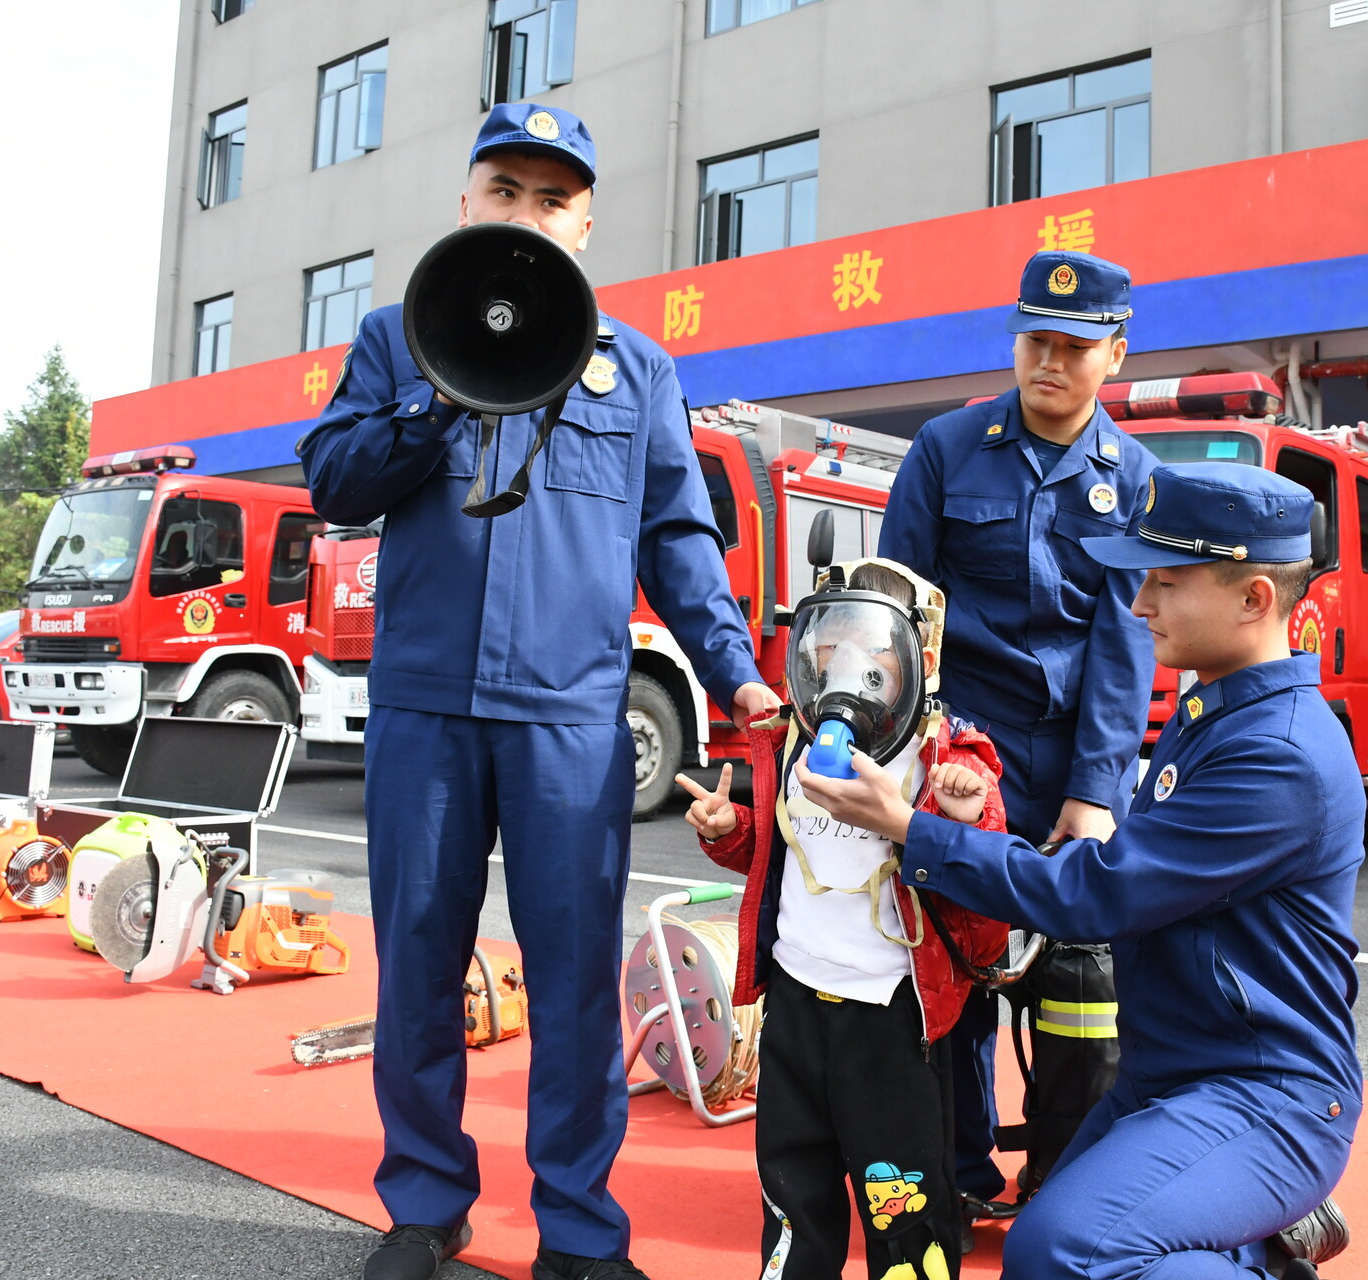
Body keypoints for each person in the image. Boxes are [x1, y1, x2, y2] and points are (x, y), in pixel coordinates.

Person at [300, 103, 779, 1280]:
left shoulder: (638, 368)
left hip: (571, 713)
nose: (527, 212)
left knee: (570, 975)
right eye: (505, 189)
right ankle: (425, 1203)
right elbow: (333, 479)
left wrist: (736, 671)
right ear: (466, 200)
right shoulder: (395, 338)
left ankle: (578, 1227)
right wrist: (443, 394)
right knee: (419, 959)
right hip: (426, 701)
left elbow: (676, 536)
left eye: (551, 197)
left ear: (586, 221)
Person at [797, 462, 1362, 1279]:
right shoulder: (1223, 708)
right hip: (1180, 1074)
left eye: (1165, 584)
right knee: (1056, 1240)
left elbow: (1100, 892)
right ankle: (1257, 1232)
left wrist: (910, 830)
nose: (1139, 606)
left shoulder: (1276, 758)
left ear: (1254, 600)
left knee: (1063, 1252)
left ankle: (1257, 1241)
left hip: (1263, 1093)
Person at [876, 250, 1158, 1222]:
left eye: (1076, 346)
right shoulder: (946, 449)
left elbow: (1126, 647)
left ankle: (1060, 1175)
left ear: (1114, 354)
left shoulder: (1138, 482)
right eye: (1038, 339)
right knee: (944, 979)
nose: (1051, 360)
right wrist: (910, 763)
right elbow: (897, 617)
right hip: (955, 765)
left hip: (1066, 772)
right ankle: (955, 1169)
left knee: (1081, 992)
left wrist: (1095, 795)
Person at [675, 559, 1010, 1280]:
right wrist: (723, 826)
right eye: (835, 639)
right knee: (793, 1187)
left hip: (889, 1019)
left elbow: (982, 901)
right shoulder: (791, 741)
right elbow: (776, 852)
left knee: (905, 1201)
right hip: (795, 1007)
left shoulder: (946, 757)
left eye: (873, 644)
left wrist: (963, 816)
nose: (848, 662)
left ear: (919, 657)